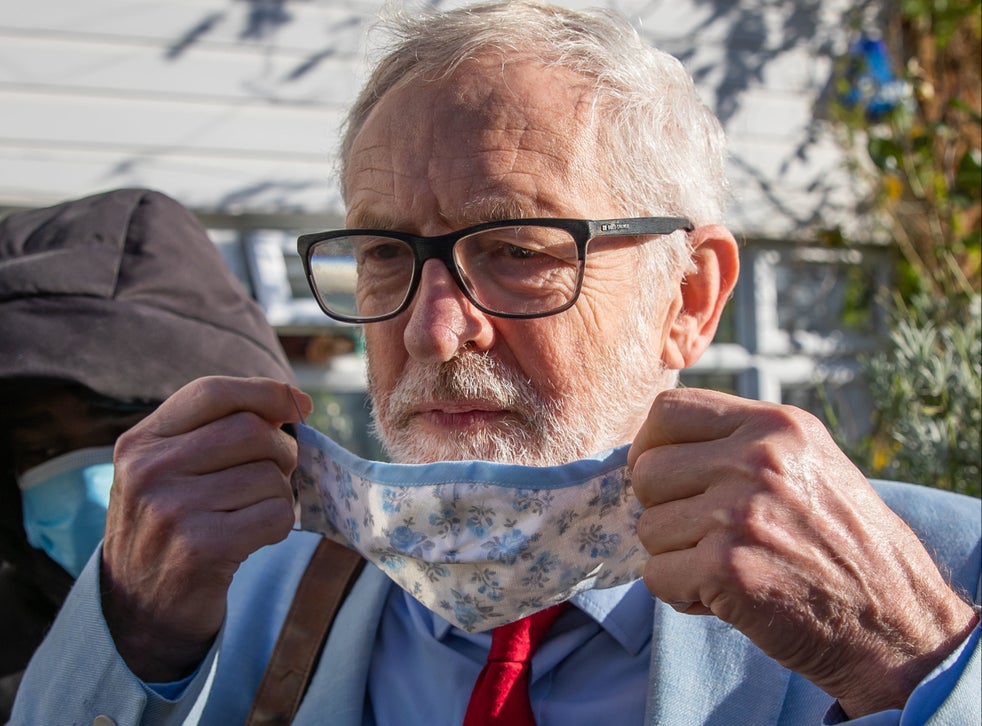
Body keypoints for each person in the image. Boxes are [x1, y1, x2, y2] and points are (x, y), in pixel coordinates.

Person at [11, 2, 981, 724]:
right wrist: (131, 631)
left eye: (516, 250)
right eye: (386, 253)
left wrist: (912, 669)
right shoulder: (227, 592)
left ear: (687, 297)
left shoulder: (939, 584)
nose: (435, 332)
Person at [0, 188, 296, 719]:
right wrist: (136, 639)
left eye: (128, 428)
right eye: (43, 447)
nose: (96, 481)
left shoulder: (349, 609)